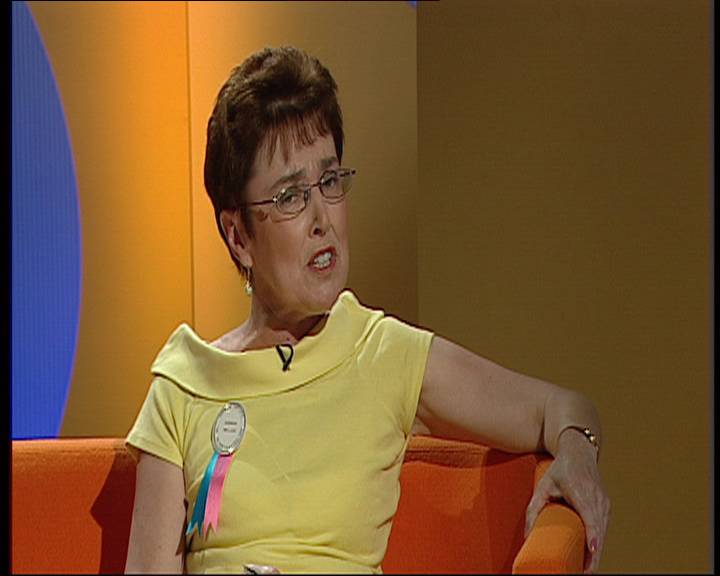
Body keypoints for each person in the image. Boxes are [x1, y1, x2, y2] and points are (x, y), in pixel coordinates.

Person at [124, 46, 609, 575]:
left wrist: (578, 453)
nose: (322, 219)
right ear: (238, 235)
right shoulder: (184, 384)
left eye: (330, 182)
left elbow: (560, 409)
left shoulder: (383, 353)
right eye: (290, 197)